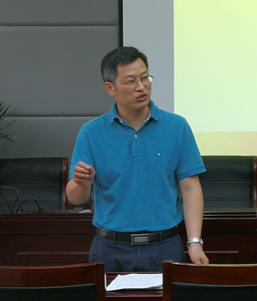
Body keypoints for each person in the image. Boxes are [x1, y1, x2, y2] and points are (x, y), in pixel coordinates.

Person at [66, 46, 209, 271]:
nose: (141, 86)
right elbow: (75, 198)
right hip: (110, 248)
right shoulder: (91, 132)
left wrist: (194, 243)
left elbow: (190, 189)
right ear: (110, 88)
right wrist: (80, 182)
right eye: (131, 81)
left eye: (145, 78)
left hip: (164, 246)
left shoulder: (177, 127)